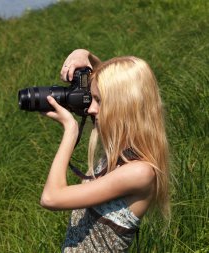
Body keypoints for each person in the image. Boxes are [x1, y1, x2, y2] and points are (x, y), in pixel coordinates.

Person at [40, 49, 169, 252]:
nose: (91, 109)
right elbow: (106, 77)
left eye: (98, 101)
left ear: (124, 105)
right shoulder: (119, 152)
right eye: (91, 98)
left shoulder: (139, 172)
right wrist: (84, 55)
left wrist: (70, 130)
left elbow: (51, 198)